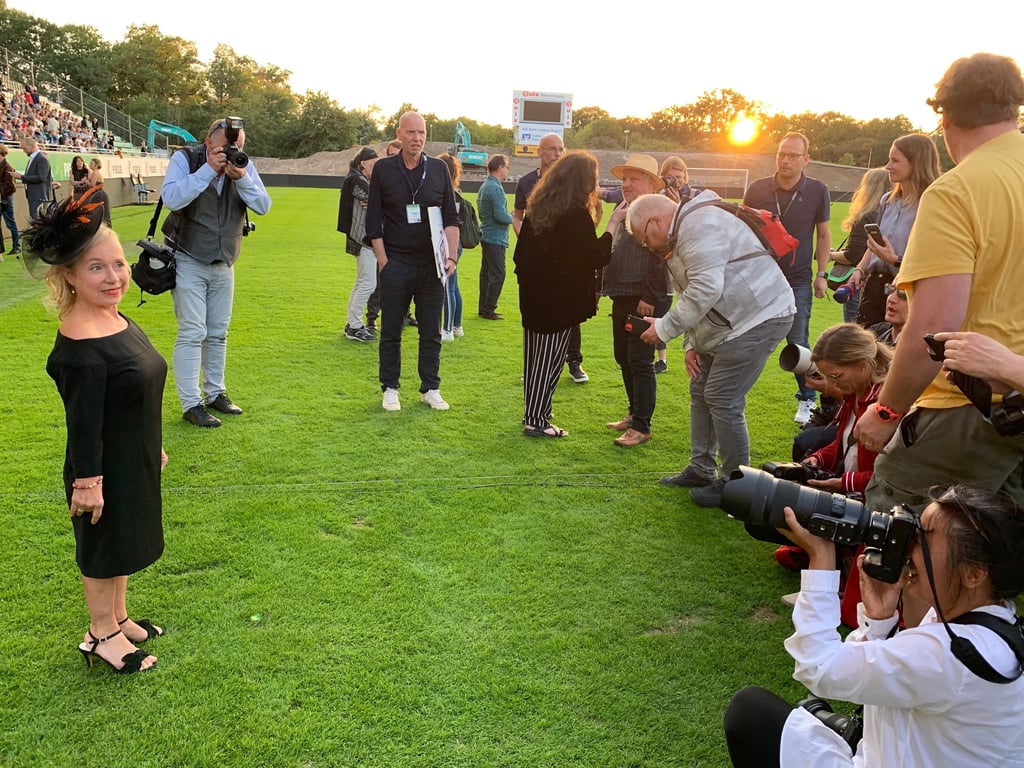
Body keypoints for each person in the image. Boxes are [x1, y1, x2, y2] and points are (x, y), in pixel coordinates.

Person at [724, 485, 1024, 768]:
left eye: (924, 538)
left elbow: (819, 667)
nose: (908, 543)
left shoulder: (950, 652)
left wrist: (821, 559)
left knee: (750, 712)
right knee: (810, 713)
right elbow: (890, 676)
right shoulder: (993, 624)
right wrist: (879, 621)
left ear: (973, 574)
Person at [854, 54, 1024, 527]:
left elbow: (933, 327)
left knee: (902, 535)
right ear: (1015, 109)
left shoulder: (957, 190)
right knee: (999, 560)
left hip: (968, 405)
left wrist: (886, 411)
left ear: (944, 116)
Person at [26, 189, 167, 674]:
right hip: (100, 466)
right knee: (103, 545)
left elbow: (135, 390)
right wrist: (88, 482)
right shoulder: (80, 341)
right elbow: (82, 423)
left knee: (124, 539)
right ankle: (100, 633)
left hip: (132, 453)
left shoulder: (115, 317)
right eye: (97, 268)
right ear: (68, 275)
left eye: (119, 264)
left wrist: (154, 443)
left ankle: (118, 617)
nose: (115, 277)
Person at [626, 192, 795, 507]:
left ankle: (737, 484)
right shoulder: (684, 232)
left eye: (645, 238)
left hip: (760, 317)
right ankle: (702, 468)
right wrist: (693, 343)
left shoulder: (700, 224)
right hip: (733, 322)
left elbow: (706, 288)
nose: (647, 247)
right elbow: (691, 294)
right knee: (700, 386)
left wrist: (663, 329)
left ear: (656, 221)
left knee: (722, 396)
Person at [777, 323, 893, 625]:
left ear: (864, 365)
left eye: (836, 376)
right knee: (776, 505)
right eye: (826, 376)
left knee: (791, 512)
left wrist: (843, 482)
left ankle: (840, 589)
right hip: (854, 492)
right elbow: (840, 446)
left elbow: (892, 479)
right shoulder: (858, 393)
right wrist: (813, 460)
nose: (831, 385)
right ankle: (833, 572)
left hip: (875, 503)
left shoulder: (887, 406)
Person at [160, 117, 272, 427]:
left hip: (225, 262)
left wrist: (242, 178)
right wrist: (208, 170)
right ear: (209, 143)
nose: (233, 151)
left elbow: (263, 205)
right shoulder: (186, 159)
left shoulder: (243, 166)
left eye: (238, 146)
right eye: (227, 145)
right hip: (188, 257)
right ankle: (191, 402)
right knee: (192, 331)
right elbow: (171, 198)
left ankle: (215, 393)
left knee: (218, 332)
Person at [365, 111, 459, 412]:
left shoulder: (439, 170)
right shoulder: (383, 169)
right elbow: (373, 219)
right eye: (411, 133)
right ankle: (390, 387)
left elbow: (451, 217)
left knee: (430, 331)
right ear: (399, 134)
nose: (417, 138)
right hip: (396, 262)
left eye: (421, 133)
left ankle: (430, 387)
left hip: (431, 264)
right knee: (391, 329)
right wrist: (384, 262)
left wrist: (451, 256)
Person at [513, 150, 612, 437]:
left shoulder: (541, 210)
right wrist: (613, 227)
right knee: (550, 360)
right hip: (557, 302)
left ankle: (537, 411)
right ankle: (536, 419)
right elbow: (592, 256)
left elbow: (523, 256)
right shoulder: (574, 214)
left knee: (536, 360)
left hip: (535, 298)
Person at [743, 133, 831, 424]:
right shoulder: (757, 188)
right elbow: (743, 230)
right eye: (782, 154)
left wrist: (821, 274)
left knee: (798, 340)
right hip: (760, 278)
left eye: (793, 155)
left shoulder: (818, 190)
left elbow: (824, 234)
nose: (786, 160)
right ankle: (734, 394)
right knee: (747, 336)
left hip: (797, 278)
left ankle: (808, 400)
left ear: (806, 159)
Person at [600, 154, 666, 447]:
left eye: (634, 178)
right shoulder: (623, 208)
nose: (626, 183)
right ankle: (633, 412)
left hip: (643, 299)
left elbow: (662, 255)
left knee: (639, 361)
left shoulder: (657, 212)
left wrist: (650, 297)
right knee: (623, 357)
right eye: (624, 178)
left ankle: (642, 426)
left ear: (651, 183)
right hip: (622, 294)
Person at [514, 132, 588, 383]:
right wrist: (527, 239)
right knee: (536, 316)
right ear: (539, 151)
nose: (557, 154)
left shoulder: (571, 183)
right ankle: (533, 368)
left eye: (561, 149)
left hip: (565, 263)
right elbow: (518, 217)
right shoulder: (525, 182)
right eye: (552, 149)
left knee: (570, 314)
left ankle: (574, 362)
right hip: (538, 265)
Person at [847, 134, 941, 327]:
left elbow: (934, 257)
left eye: (895, 160)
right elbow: (876, 245)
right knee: (867, 349)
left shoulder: (932, 204)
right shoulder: (887, 200)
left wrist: (895, 260)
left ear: (916, 163)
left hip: (905, 290)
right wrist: (860, 269)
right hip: (874, 286)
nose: (888, 166)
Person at [830, 168, 890, 323]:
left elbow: (853, 255)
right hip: (882, 285)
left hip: (859, 283)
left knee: (854, 337)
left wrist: (830, 255)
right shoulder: (890, 216)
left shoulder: (866, 216)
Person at [364, 139, 406, 334]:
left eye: (396, 155)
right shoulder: (381, 176)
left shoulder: (413, 178)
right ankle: (372, 319)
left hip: (405, 241)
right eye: (389, 155)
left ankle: (405, 314)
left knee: (407, 281)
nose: (393, 159)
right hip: (383, 239)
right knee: (379, 280)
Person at [337, 147, 378, 343]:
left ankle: (352, 323)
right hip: (362, 237)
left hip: (359, 236)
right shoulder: (357, 180)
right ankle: (354, 326)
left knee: (362, 281)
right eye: (373, 163)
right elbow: (380, 201)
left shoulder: (355, 179)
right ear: (363, 163)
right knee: (368, 282)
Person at [477, 154, 513, 320]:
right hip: (496, 237)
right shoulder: (496, 188)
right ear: (500, 168)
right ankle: (489, 309)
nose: (507, 170)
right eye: (506, 167)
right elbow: (500, 216)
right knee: (498, 274)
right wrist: (514, 218)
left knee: (486, 274)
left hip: (486, 234)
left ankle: (483, 307)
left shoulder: (485, 186)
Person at [437, 153, 465, 342]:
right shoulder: (456, 192)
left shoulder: (446, 194)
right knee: (453, 287)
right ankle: (456, 326)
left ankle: (447, 329)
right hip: (457, 242)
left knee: (447, 286)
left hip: (448, 243)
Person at [13, 136, 54, 222]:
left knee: (38, 223)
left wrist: (21, 177)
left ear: (31, 146)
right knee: (35, 221)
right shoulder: (34, 158)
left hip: (39, 196)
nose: (23, 151)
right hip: (34, 195)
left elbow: (41, 177)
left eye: (24, 148)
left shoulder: (41, 158)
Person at [0, 143, 21, 257]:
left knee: (10, 222)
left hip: (6, 198)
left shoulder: (7, 167)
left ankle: (17, 246)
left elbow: (10, 186)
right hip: (3, 197)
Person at [87, 158, 112, 227]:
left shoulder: (95, 172)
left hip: (97, 194)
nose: (90, 165)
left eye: (91, 163)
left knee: (96, 213)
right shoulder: (97, 173)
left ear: (96, 165)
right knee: (104, 213)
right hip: (100, 193)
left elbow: (92, 184)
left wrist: (85, 181)